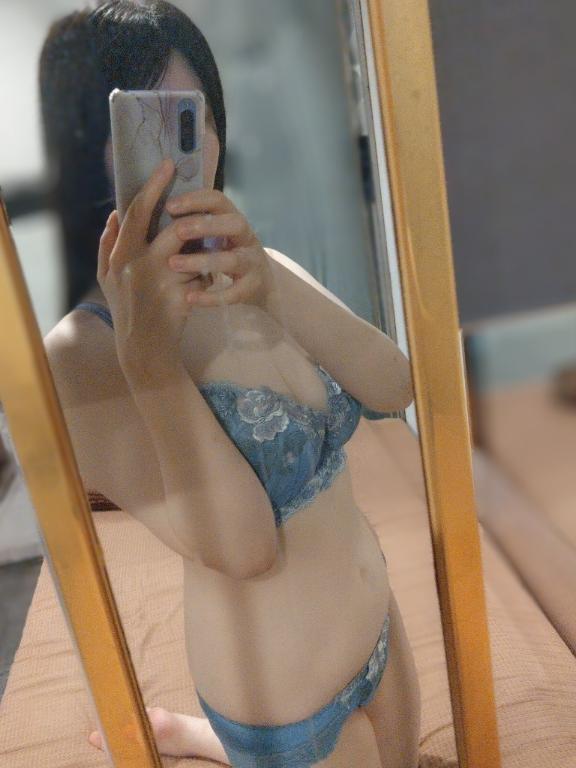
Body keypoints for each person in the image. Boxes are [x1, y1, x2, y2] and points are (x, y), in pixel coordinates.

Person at [40, 2, 421, 766]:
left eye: (194, 119)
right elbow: (243, 546)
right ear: (87, 148)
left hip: (380, 632)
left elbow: (395, 386)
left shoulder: (260, 268)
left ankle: (192, 737)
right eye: (143, 125)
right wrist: (149, 362)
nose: (180, 152)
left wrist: (274, 289)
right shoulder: (81, 353)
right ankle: (219, 740)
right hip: (290, 709)